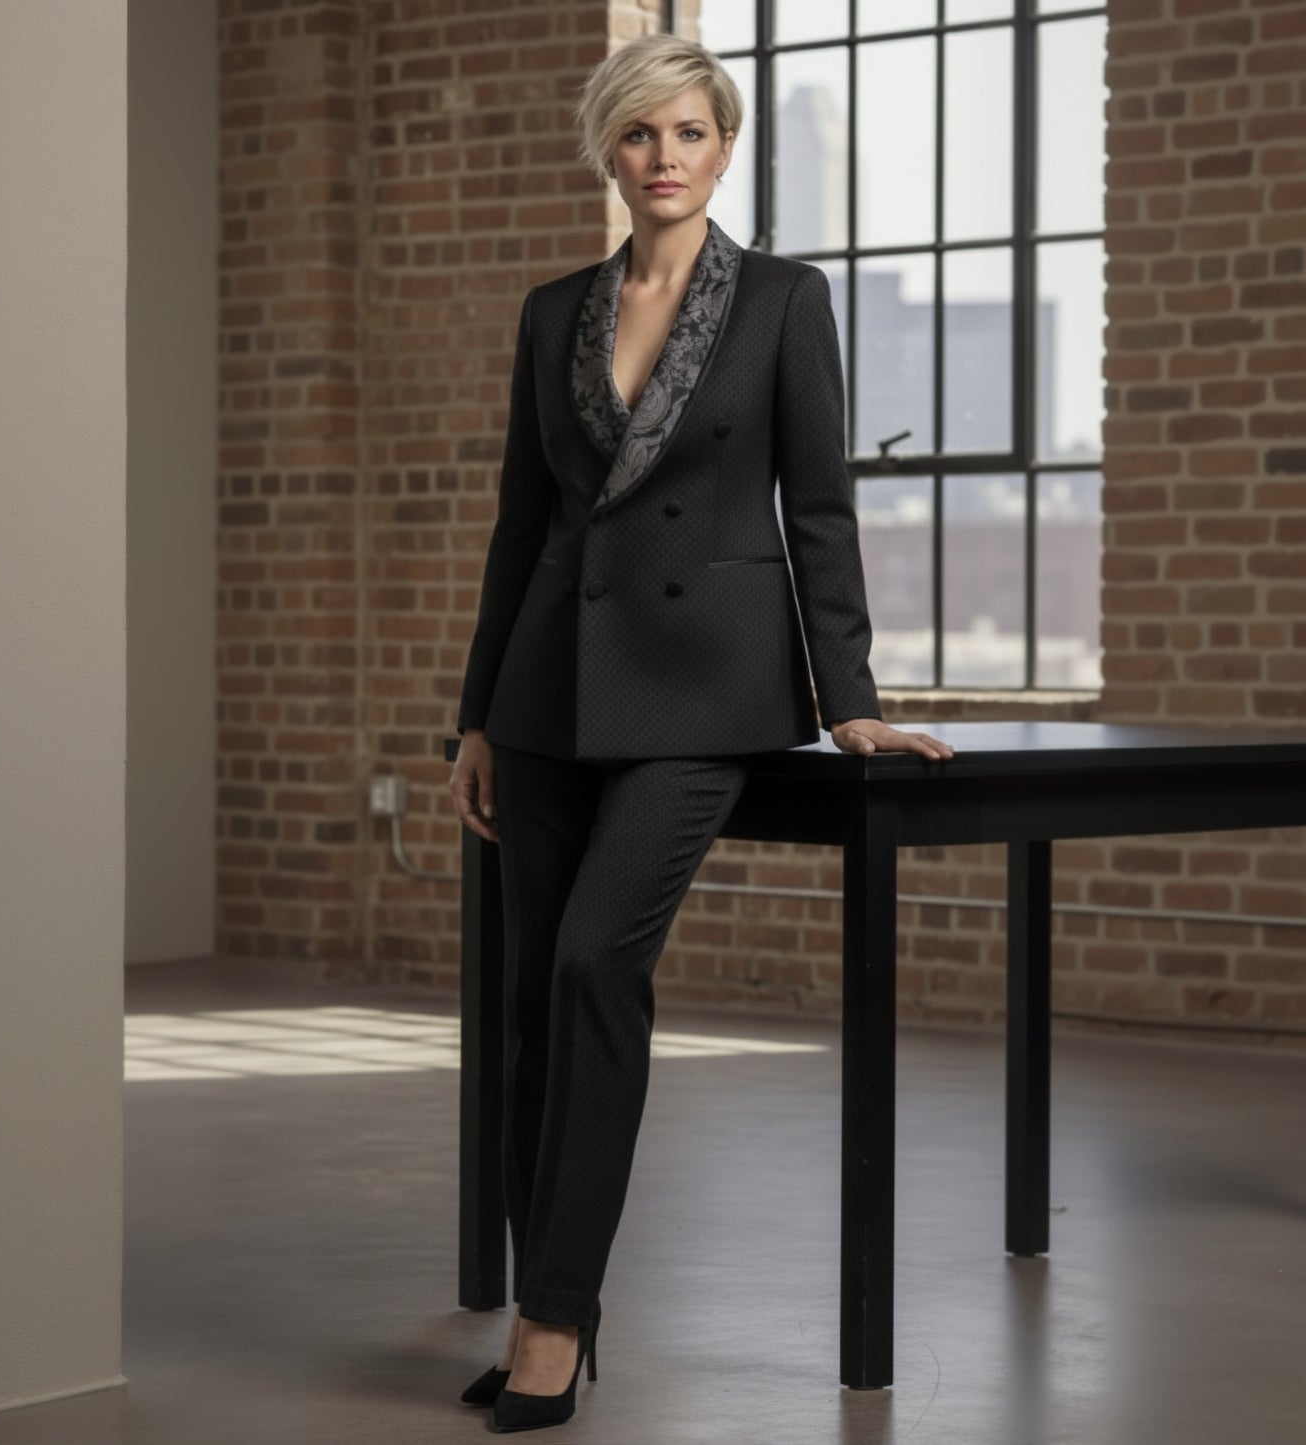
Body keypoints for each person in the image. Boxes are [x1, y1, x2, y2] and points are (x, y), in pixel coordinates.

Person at [449, 31, 953, 1433]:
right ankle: (548, 1298)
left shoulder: (785, 301)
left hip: (702, 691)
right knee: (532, 1007)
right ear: (607, 154)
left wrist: (845, 693)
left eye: (689, 133)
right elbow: (523, 524)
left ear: (724, 148)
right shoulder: (555, 308)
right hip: (547, 693)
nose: (663, 158)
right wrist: (476, 714)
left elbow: (820, 506)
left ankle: (552, 1321)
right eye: (637, 136)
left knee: (591, 964)